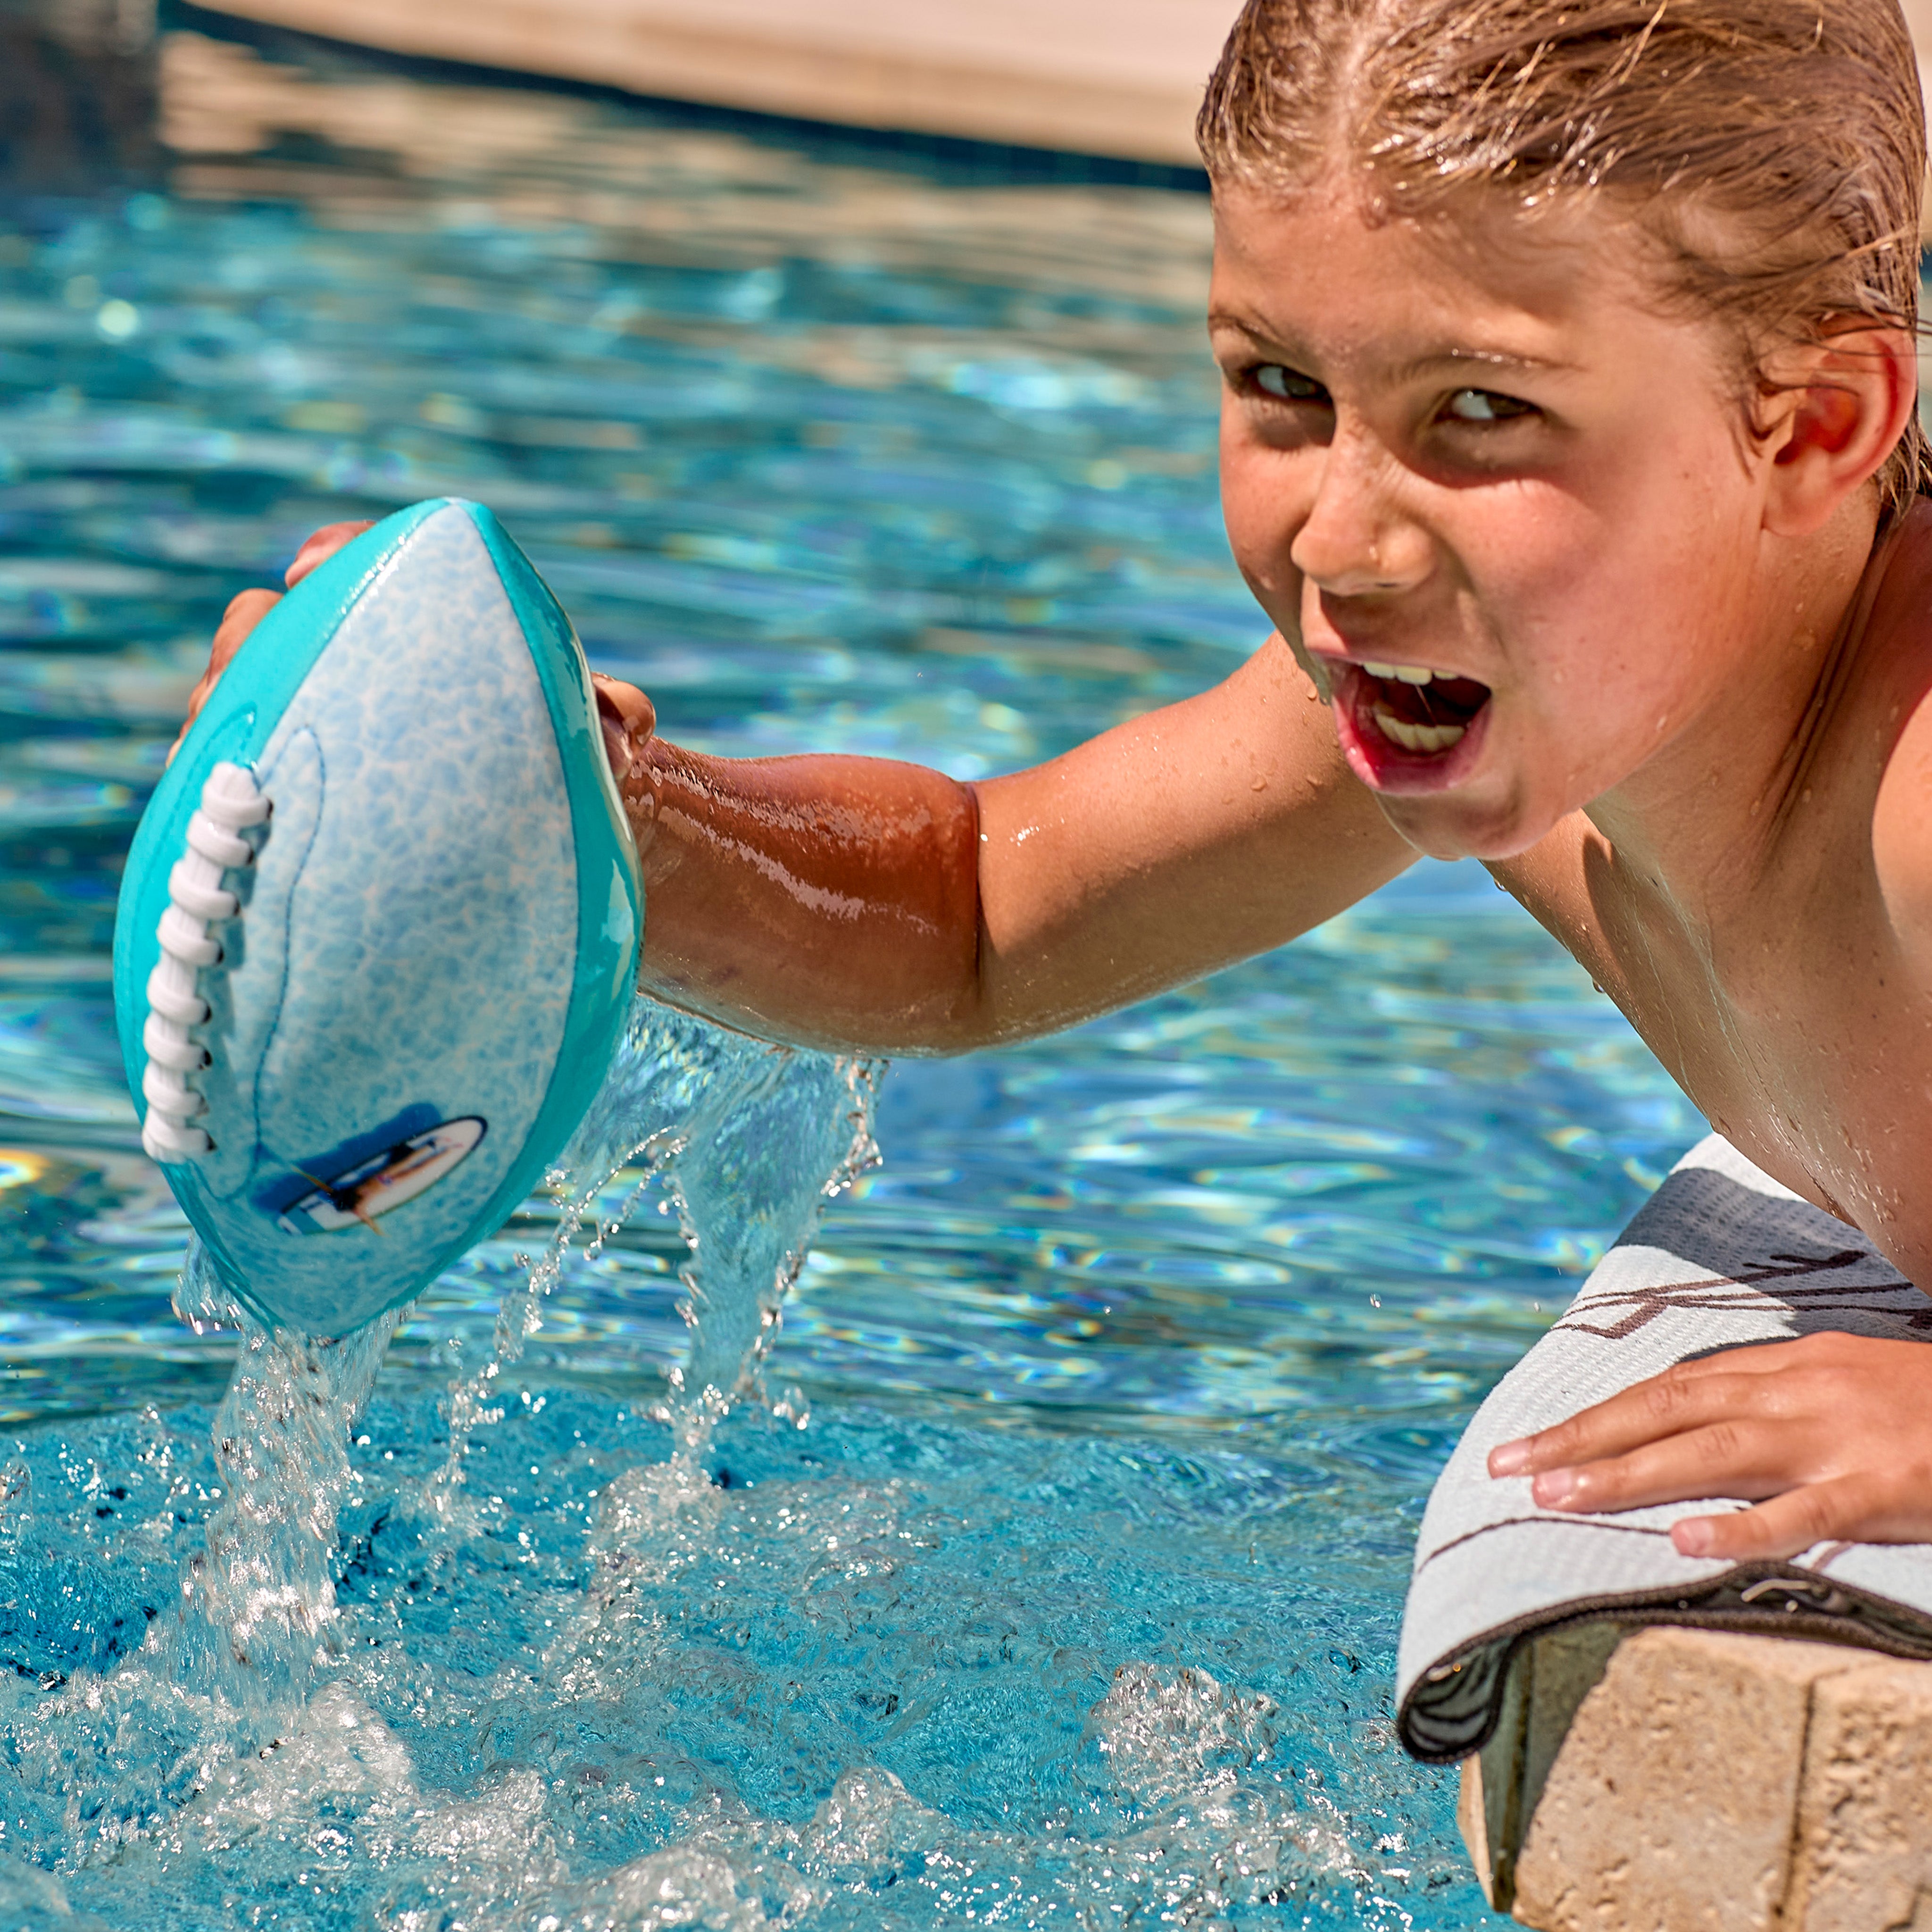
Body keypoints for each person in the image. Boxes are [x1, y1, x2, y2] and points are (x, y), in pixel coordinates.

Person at [185, 0, 1932, 1562]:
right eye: (1280, 387)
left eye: (1481, 411)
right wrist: (594, 812)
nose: (1341, 533)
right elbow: (983, 913)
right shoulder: (1519, 706)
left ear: (1814, 427)